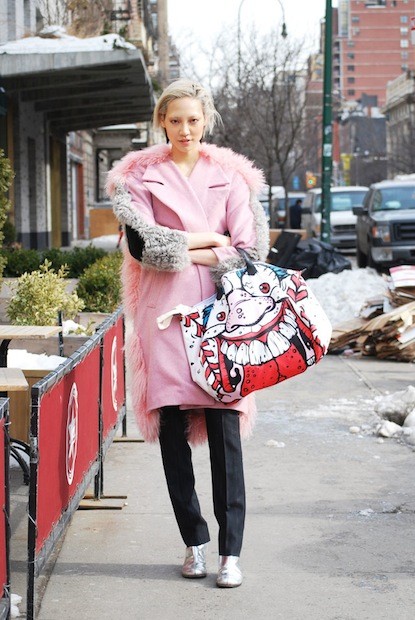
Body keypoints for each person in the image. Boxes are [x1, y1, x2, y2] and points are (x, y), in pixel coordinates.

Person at [106, 79, 269, 588]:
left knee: (226, 436)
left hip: (223, 320)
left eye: (193, 119)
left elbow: (248, 252)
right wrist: (212, 239)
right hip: (165, 319)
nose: (184, 129)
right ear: (162, 121)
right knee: (173, 438)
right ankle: (194, 543)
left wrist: (187, 248)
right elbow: (144, 248)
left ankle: (230, 553)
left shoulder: (231, 178)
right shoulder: (139, 179)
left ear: (206, 121)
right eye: (175, 119)